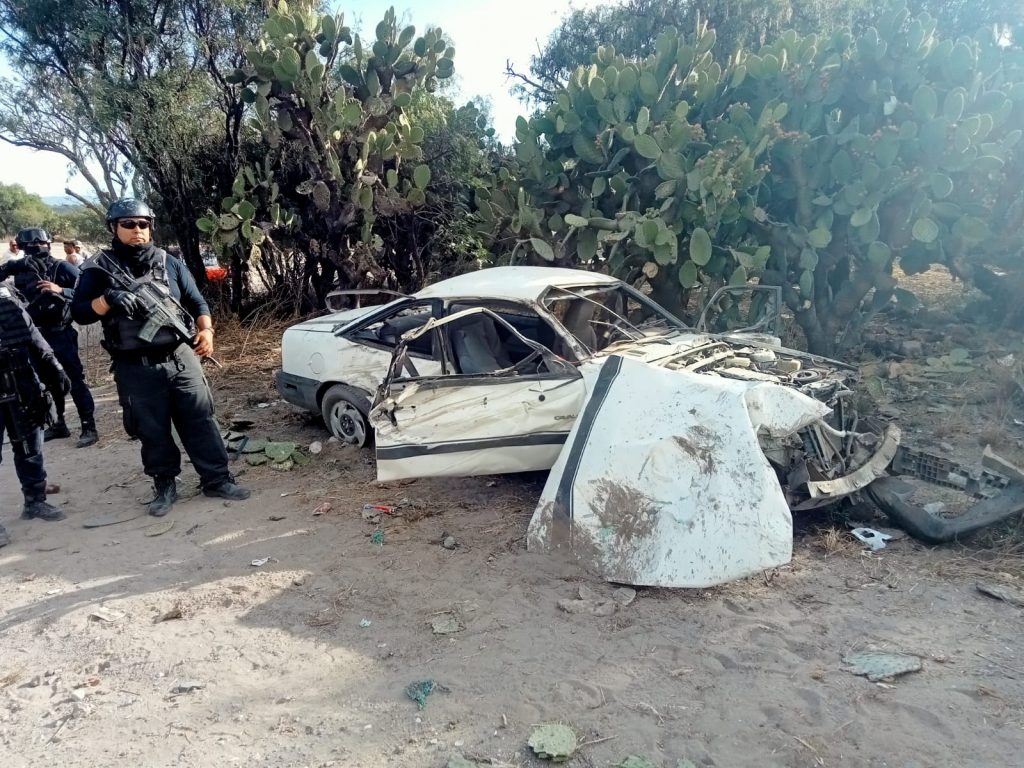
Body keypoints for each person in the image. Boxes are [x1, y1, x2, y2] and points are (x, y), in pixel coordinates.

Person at [71, 198, 250, 516]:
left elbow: (197, 303)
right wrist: (107, 299)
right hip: (136, 367)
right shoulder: (99, 268)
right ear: (114, 228)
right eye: (128, 224)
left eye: (143, 223)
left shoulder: (169, 262)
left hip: (181, 357)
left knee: (200, 420)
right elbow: (80, 313)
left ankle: (217, 480)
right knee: (152, 429)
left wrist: (206, 333)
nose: (137, 230)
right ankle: (165, 486)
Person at [0, 228, 97, 447]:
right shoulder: (20, 268)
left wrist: (61, 290)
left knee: (73, 380)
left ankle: (88, 427)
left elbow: (87, 292)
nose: (36, 250)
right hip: (35, 337)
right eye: (30, 246)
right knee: (46, 382)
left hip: (60, 333)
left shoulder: (61, 266)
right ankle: (58, 424)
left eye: (39, 245)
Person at [1, 285, 72, 547]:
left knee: (31, 446)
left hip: (22, 381)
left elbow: (32, 333)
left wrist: (54, 366)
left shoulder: (6, 294)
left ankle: (35, 501)